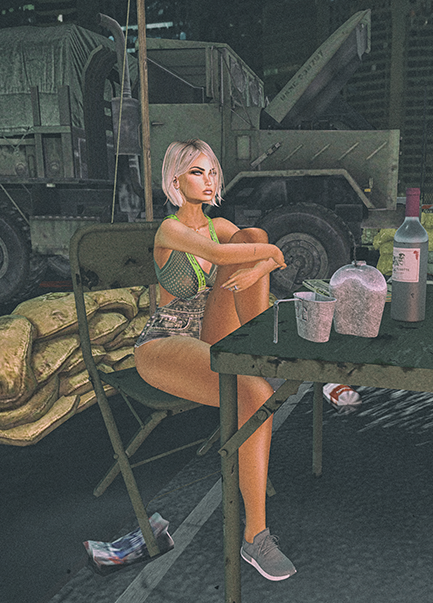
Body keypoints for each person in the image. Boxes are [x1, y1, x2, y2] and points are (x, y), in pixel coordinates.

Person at [133, 139, 295, 581]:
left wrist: (263, 260)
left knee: (253, 236)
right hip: (165, 341)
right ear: (174, 179)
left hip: (208, 333)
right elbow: (223, 257)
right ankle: (255, 537)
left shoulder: (218, 224)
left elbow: (250, 249)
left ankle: (259, 356)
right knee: (255, 395)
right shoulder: (169, 231)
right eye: (196, 172)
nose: (208, 181)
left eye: (211, 172)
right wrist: (271, 257)